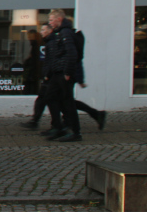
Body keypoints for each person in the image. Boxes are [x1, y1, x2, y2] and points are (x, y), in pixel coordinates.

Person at [21, 24, 105, 132]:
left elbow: (72, 59)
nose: (41, 32)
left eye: (43, 29)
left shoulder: (60, 40)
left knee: (61, 100)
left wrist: (77, 78)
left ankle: (62, 125)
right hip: (56, 76)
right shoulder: (53, 41)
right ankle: (55, 123)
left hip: (59, 76)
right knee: (54, 99)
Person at [43, 9, 81, 142]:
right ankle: (59, 127)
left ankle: (75, 132)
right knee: (50, 97)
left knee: (68, 102)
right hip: (58, 72)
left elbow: (72, 53)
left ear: (59, 19)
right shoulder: (60, 33)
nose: (50, 23)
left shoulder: (65, 33)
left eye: (52, 20)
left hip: (64, 74)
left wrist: (68, 72)